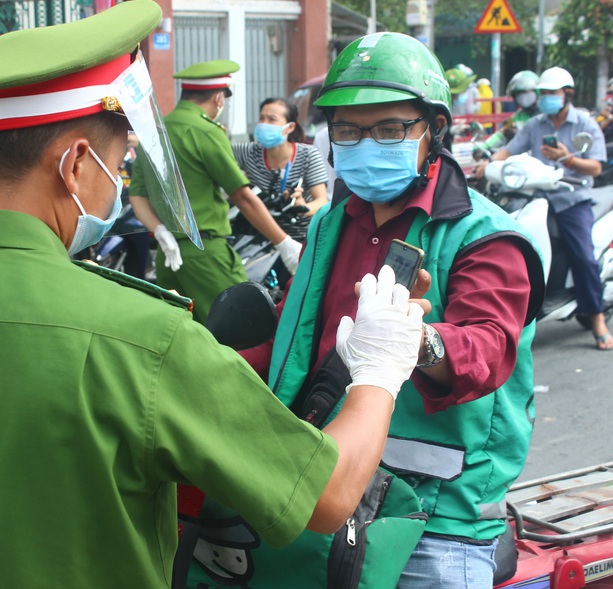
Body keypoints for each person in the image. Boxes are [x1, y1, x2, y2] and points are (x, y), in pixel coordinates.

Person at [0, 5, 429, 587]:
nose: (119, 182)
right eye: (120, 162)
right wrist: (378, 369)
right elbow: (326, 496)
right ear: (76, 164)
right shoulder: (140, 340)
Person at [239, 32, 545, 589]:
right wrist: (194, 360)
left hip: (437, 513)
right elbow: (292, 344)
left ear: (434, 131)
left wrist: (416, 341)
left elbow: (487, 349)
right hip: (325, 478)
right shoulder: (331, 225)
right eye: (349, 131)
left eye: (389, 130)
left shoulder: (486, 236)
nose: (364, 144)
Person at [129, 61, 302, 325]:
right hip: (205, 253)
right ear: (219, 97)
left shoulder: (155, 131)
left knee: (182, 336)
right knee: (243, 330)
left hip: (169, 256)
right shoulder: (205, 131)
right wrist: (283, 242)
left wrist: (161, 232)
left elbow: (137, 196)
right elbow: (242, 196)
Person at [476, 66, 613, 350]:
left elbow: (597, 167)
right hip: (533, 197)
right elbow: (509, 148)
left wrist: (568, 159)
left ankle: (597, 318)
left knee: (583, 256)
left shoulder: (585, 125)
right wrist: (488, 163)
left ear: (567, 94)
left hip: (571, 198)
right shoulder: (535, 124)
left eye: (552, 93)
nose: (546, 98)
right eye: (543, 93)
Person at [232, 97, 329, 244]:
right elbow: (214, 154)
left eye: (272, 119)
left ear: (290, 127)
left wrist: (301, 208)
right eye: (261, 118)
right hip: (259, 240)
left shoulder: (308, 155)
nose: (264, 124)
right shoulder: (247, 152)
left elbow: (322, 201)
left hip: (300, 239)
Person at [473, 70, 540, 160]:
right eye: (519, 94)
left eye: (526, 92)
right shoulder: (517, 117)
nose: (523, 97)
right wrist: (484, 147)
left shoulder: (547, 116)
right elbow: (501, 134)